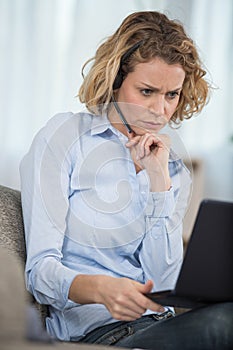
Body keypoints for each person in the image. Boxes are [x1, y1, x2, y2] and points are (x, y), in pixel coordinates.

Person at [20, 11, 233, 349]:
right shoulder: (64, 137)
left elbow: (166, 283)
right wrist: (102, 289)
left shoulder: (172, 168)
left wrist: (158, 181)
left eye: (171, 95)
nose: (159, 110)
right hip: (101, 332)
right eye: (147, 91)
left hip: (161, 325)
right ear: (115, 81)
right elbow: (39, 273)